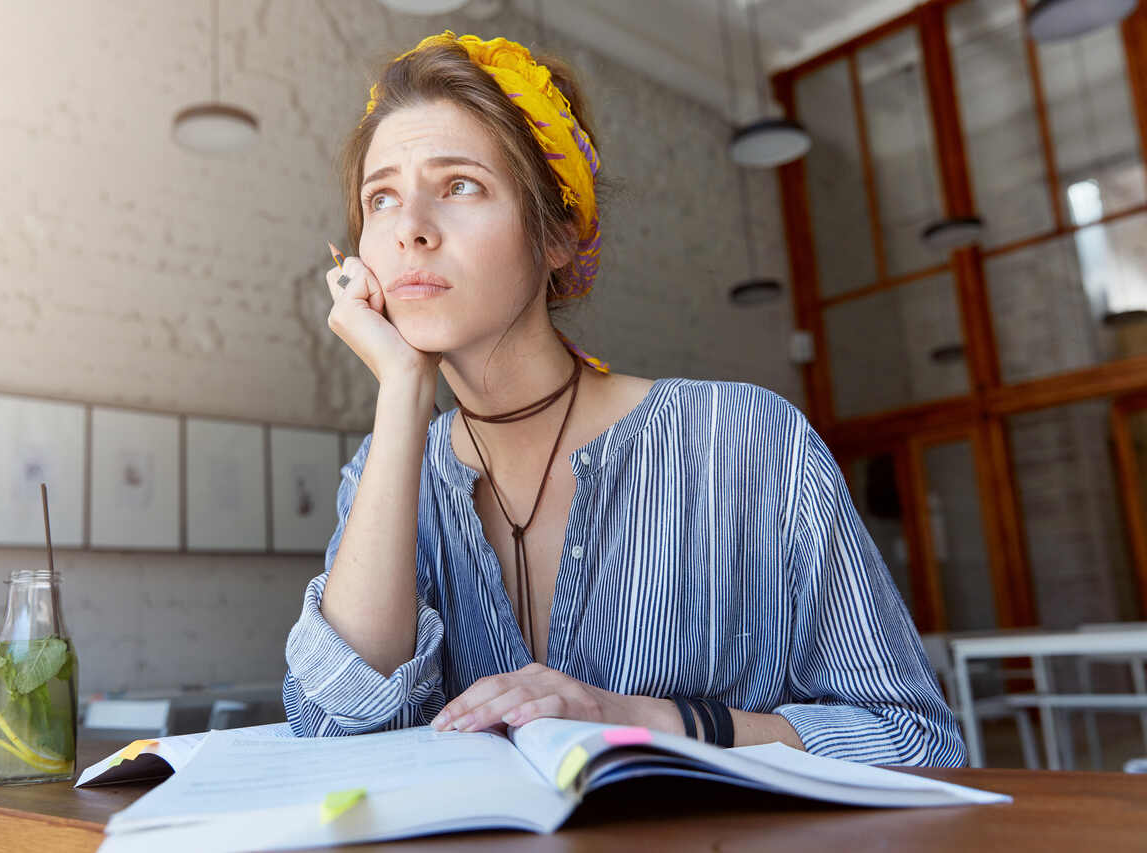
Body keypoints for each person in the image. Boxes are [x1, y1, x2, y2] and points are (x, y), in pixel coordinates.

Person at [282, 30, 965, 766]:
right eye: (380, 197)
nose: (409, 227)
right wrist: (402, 395)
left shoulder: (744, 440)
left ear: (558, 235)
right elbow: (334, 730)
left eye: (459, 186)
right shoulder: (385, 469)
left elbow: (916, 739)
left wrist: (641, 718)